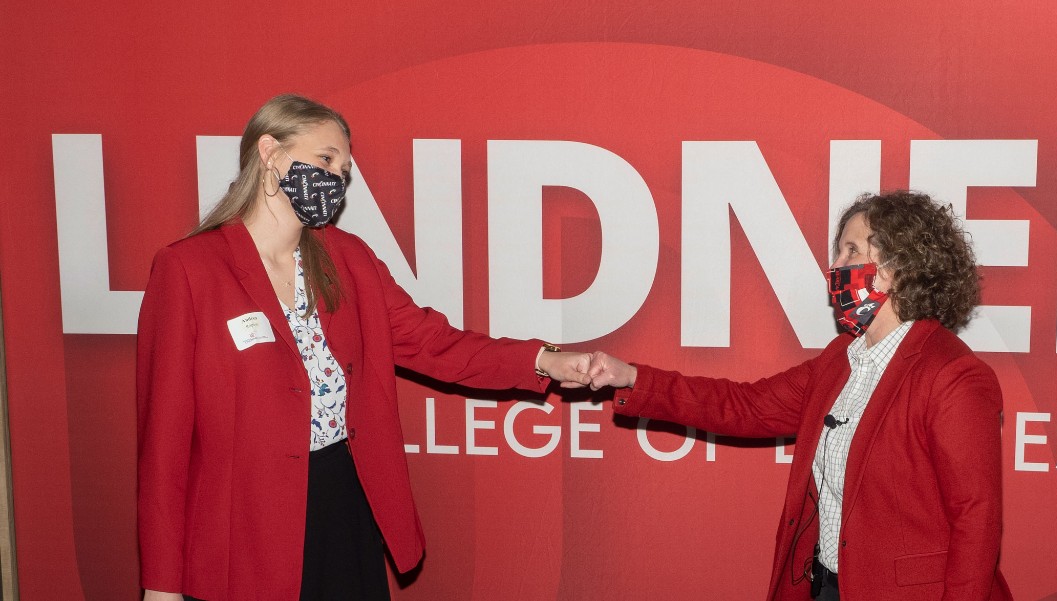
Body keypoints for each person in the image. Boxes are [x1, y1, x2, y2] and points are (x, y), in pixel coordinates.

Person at [137, 94, 592, 601]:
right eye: (325, 159)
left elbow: (432, 342)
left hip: (343, 502)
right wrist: (161, 585)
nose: (336, 179)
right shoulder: (189, 269)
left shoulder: (348, 258)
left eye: (344, 169)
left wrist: (543, 359)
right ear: (269, 151)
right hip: (243, 528)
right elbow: (164, 444)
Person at [587, 191, 1012, 601]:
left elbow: (977, 519)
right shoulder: (838, 361)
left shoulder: (953, 376)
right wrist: (630, 377)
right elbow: (744, 407)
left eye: (851, 251)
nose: (835, 266)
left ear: (895, 268)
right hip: (824, 586)